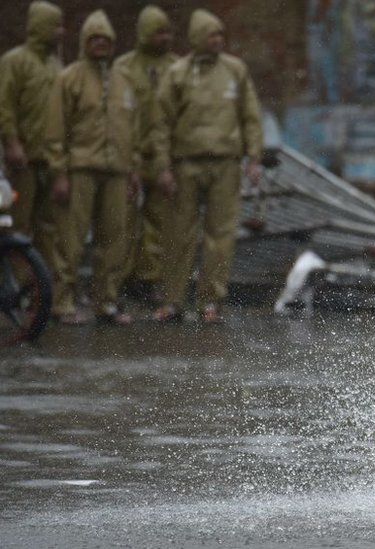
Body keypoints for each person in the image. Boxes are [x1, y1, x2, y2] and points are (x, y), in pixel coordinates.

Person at [153, 9, 263, 324]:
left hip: (226, 164)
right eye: (212, 35)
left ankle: (209, 302)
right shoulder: (178, 73)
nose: (218, 41)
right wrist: (162, 166)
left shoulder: (235, 70)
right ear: (198, 38)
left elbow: (250, 115)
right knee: (179, 233)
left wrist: (253, 156)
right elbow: (161, 123)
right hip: (185, 163)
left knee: (221, 235)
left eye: (220, 35)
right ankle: (172, 300)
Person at [45, 10, 143, 325]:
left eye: (106, 39)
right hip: (79, 169)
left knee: (114, 240)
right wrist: (59, 172)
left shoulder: (123, 81)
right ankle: (62, 302)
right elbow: (55, 129)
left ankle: (107, 303)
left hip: (116, 170)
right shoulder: (69, 78)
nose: (101, 43)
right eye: (95, 38)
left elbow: (133, 129)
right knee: (70, 240)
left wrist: (133, 170)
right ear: (85, 42)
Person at [114, 5, 178, 301]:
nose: (164, 38)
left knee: (160, 221)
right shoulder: (124, 68)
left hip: (164, 156)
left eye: (167, 31)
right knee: (123, 220)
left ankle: (149, 280)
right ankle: (119, 279)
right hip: (130, 156)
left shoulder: (176, 67)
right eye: (158, 32)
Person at [0, 1, 64, 267]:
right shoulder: (15, 61)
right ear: (41, 26)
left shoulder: (57, 66)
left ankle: (40, 292)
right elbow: (5, 106)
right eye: (56, 26)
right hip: (23, 161)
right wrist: (12, 143)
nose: (62, 32)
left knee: (48, 228)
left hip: (50, 161)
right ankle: (14, 289)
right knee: (17, 225)